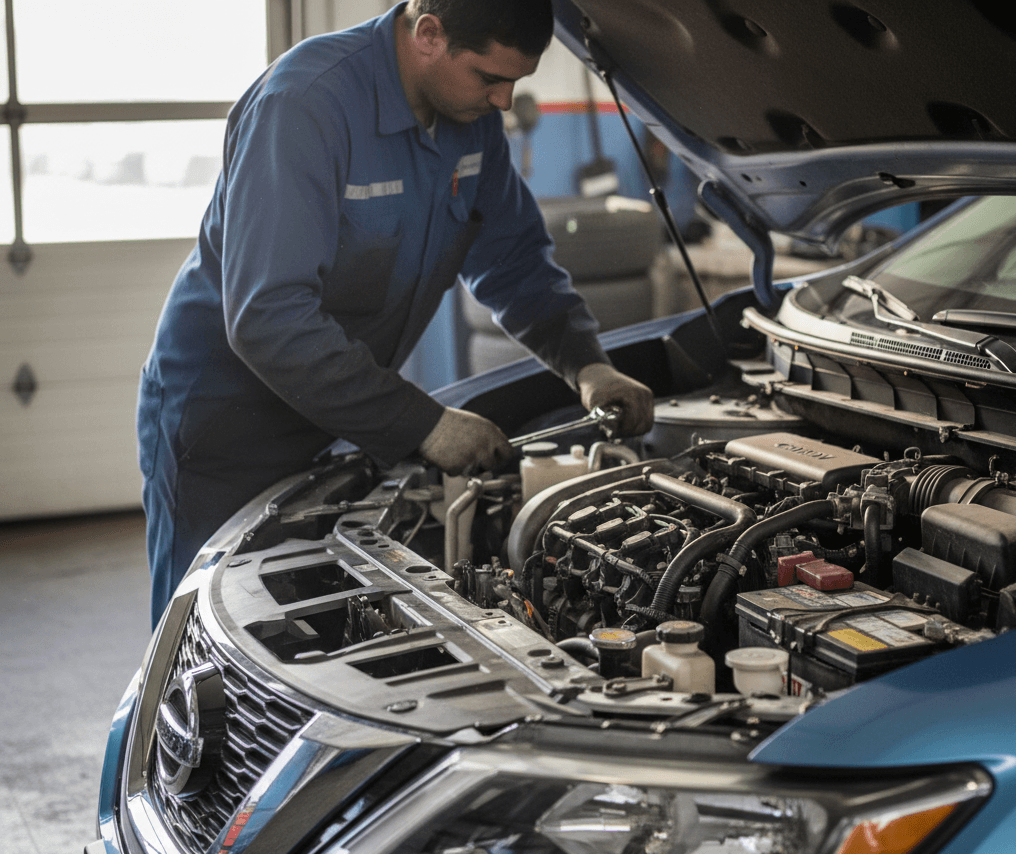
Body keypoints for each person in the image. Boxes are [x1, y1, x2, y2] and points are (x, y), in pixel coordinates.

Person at [136, 0, 655, 628]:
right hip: (224, 428)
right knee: (207, 647)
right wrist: (423, 424)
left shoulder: (470, 122)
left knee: (310, 633)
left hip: (332, 419)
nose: (502, 101)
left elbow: (513, 262)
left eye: (514, 83)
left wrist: (588, 367)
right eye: (489, 78)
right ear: (428, 34)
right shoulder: (304, 106)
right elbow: (267, 316)